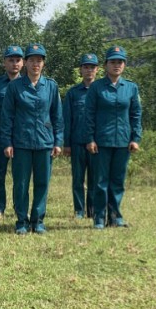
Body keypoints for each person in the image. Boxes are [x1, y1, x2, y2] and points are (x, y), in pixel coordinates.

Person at [0, 43, 63, 235]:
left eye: (39, 60)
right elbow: (7, 116)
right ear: (25, 63)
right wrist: (7, 142)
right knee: (21, 183)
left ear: (43, 64)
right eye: (32, 60)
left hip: (44, 142)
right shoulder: (15, 87)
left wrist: (58, 141)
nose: (35, 64)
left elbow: (57, 116)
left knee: (42, 183)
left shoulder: (51, 86)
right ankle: (21, 221)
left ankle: (38, 220)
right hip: (21, 143)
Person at [85, 45, 142, 229]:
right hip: (101, 141)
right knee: (100, 181)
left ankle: (115, 216)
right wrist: (90, 139)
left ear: (124, 65)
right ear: (106, 65)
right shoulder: (96, 88)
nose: (116, 65)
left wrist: (135, 138)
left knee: (118, 181)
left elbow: (136, 115)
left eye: (120, 62)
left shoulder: (131, 88)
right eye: (113, 62)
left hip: (123, 142)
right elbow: (89, 115)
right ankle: (99, 218)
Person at [0, 45, 24, 219]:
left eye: (17, 60)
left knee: (20, 174)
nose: (14, 63)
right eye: (11, 60)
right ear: (4, 63)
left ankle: (19, 207)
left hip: (21, 135)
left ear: (23, 63)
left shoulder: (27, 83)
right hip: (0, 135)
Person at [63, 53, 99, 219]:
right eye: (86, 67)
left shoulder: (101, 91)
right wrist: (66, 143)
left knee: (94, 178)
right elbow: (67, 119)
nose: (89, 70)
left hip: (97, 143)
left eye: (92, 67)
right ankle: (79, 210)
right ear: (81, 70)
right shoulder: (73, 93)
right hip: (77, 142)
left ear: (97, 70)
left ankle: (92, 210)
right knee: (78, 178)